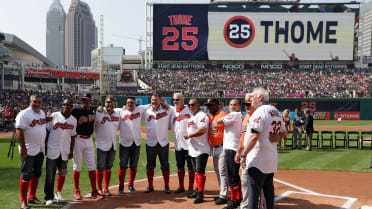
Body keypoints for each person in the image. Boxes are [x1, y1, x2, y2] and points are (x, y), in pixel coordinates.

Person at [240, 87, 287, 209]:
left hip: (257, 160)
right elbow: (284, 133)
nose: (250, 100)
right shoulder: (275, 110)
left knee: (253, 197)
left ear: (261, 98)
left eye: (253, 97)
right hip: (271, 160)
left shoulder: (260, 112)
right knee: (268, 195)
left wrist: (244, 155)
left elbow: (254, 136)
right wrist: (278, 138)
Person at [16, 94, 47, 209]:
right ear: (30, 102)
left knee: (37, 173)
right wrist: (23, 147)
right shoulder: (24, 114)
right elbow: (19, 130)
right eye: (35, 102)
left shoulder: (42, 113)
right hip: (28, 149)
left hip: (40, 148)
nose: (37, 104)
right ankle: (23, 201)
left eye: (39, 102)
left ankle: (32, 197)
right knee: (26, 175)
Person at [44, 99, 77, 206]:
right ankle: (49, 197)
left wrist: (71, 150)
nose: (65, 106)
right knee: (50, 175)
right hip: (52, 149)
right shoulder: (54, 115)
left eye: (68, 104)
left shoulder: (73, 120)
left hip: (65, 150)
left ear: (71, 106)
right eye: (64, 104)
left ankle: (58, 193)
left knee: (62, 173)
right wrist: (44, 146)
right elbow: (47, 131)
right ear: (61, 106)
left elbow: (73, 137)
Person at [71, 93, 103, 200]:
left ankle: (94, 191)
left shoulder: (93, 110)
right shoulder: (75, 110)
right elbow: (65, 115)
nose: (84, 102)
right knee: (77, 166)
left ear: (90, 100)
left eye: (87, 100)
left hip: (89, 139)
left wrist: (101, 108)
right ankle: (77, 190)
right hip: (78, 139)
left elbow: (101, 117)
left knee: (92, 166)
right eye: (83, 100)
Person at [214, 99, 243, 209]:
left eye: (235, 105)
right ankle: (238, 198)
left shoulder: (235, 115)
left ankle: (233, 200)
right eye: (231, 105)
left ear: (239, 106)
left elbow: (219, 122)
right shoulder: (239, 115)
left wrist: (218, 116)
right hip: (234, 148)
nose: (233, 106)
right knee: (234, 174)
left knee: (231, 175)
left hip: (232, 149)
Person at [142, 93, 173, 194]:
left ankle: (167, 186)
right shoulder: (146, 110)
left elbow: (179, 108)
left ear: (160, 100)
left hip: (163, 142)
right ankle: (150, 185)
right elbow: (133, 108)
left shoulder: (167, 109)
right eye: (152, 100)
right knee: (150, 165)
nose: (153, 102)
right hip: (151, 142)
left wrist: (165, 104)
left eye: (155, 100)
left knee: (165, 165)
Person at [117, 97, 148, 194]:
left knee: (133, 165)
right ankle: (121, 187)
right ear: (126, 104)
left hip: (136, 143)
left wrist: (163, 104)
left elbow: (152, 104)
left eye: (132, 103)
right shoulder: (120, 112)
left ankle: (131, 184)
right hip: (124, 144)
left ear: (136, 104)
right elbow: (108, 109)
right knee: (122, 165)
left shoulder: (140, 109)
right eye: (128, 103)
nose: (130, 104)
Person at [184, 99, 210, 204]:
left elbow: (202, 129)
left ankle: (200, 194)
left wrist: (189, 135)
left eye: (193, 105)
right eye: (189, 105)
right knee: (196, 171)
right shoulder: (193, 116)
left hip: (202, 148)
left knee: (200, 171)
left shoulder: (201, 115)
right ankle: (197, 189)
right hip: (193, 148)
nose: (191, 106)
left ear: (198, 105)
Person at [94, 95, 120, 196]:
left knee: (109, 167)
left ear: (114, 104)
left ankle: (106, 188)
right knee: (100, 167)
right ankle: (99, 188)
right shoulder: (98, 113)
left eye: (111, 102)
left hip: (112, 144)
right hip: (101, 144)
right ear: (104, 103)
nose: (109, 104)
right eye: (107, 102)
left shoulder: (117, 113)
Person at [171, 93, 195, 195]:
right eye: (174, 100)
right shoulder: (172, 112)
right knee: (180, 166)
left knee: (190, 166)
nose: (175, 102)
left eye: (177, 100)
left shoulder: (189, 110)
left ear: (182, 100)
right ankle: (181, 186)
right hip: (178, 144)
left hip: (189, 144)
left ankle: (190, 187)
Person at [206, 98, 228, 205]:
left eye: (210, 105)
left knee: (222, 171)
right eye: (207, 106)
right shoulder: (211, 117)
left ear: (216, 105)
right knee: (218, 171)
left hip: (223, 147)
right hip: (214, 148)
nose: (208, 108)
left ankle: (224, 195)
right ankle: (222, 192)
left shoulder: (223, 114)